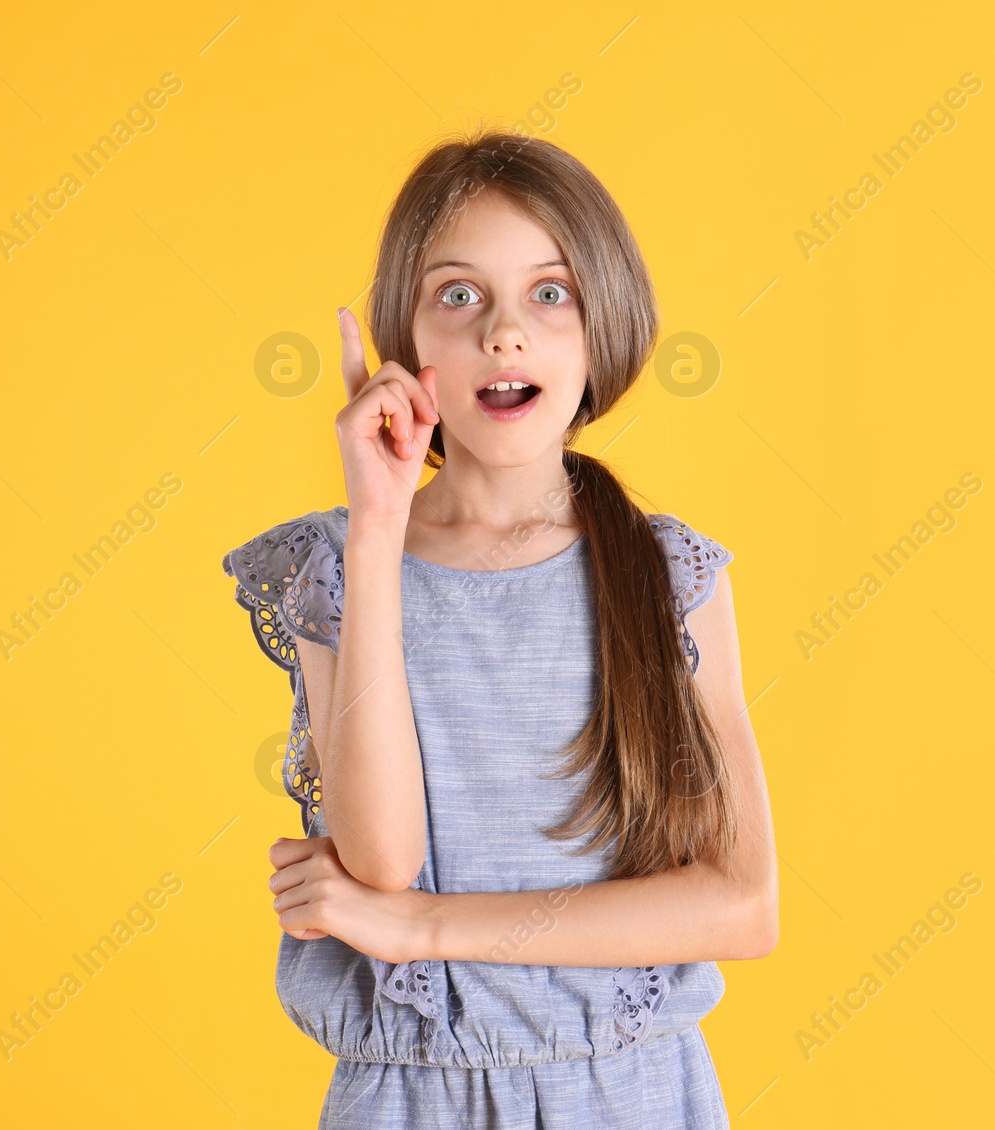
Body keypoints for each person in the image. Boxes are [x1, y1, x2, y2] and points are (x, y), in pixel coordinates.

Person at [222, 127, 778, 1129]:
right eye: (459, 294)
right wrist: (377, 524)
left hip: (633, 1093)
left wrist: (423, 927)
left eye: (549, 293)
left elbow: (740, 904)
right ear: (407, 338)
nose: (504, 333)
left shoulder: (665, 574)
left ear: (601, 325)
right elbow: (379, 859)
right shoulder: (335, 566)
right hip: (411, 1098)